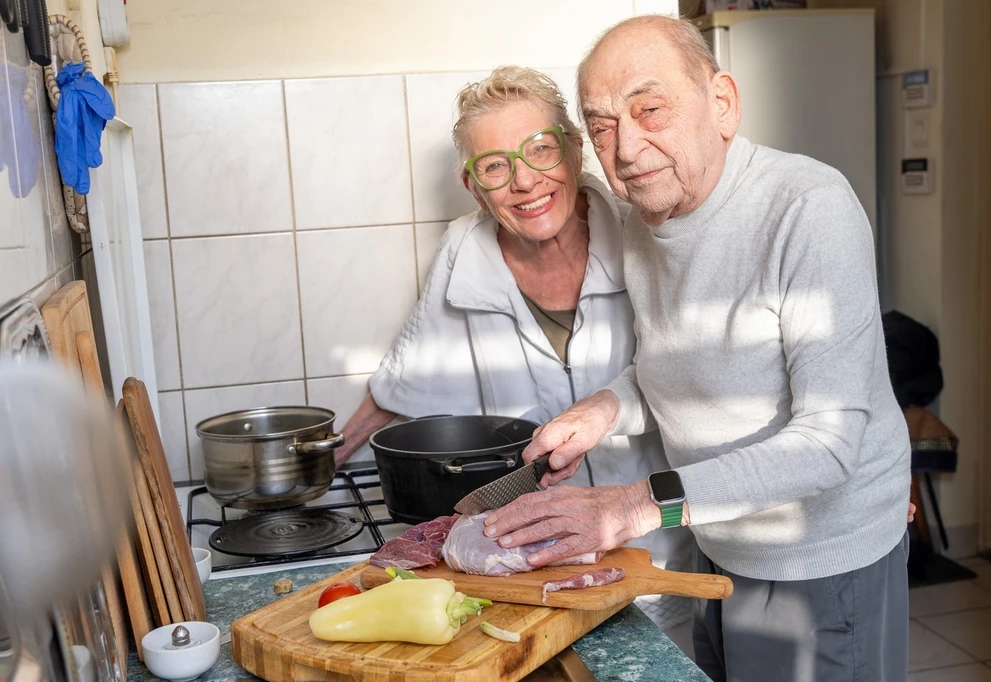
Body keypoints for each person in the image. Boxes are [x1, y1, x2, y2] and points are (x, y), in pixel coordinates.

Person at [484, 17, 912, 682]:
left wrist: (635, 505)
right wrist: (603, 408)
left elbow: (829, 444)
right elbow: (673, 364)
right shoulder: (644, 218)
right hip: (721, 540)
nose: (625, 147)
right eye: (601, 126)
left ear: (722, 104)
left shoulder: (808, 209)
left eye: (649, 109)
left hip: (821, 560)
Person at [332, 66, 692, 631]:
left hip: (653, 547)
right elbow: (406, 385)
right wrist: (318, 467)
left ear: (575, 154)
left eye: (541, 150)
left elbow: (696, 374)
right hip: (529, 567)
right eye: (496, 166)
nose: (524, 182)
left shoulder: (646, 232)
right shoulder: (464, 250)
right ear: (473, 185)